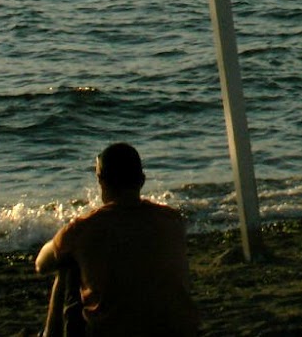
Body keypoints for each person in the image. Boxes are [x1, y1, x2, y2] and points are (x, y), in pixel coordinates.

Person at [35, 143, 198, 337]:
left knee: (67, 264)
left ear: (101, 181)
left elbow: (41, 264)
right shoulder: (172, 220)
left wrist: (63, 242)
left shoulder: (84, 228)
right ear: (142, 180)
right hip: (179, 331)